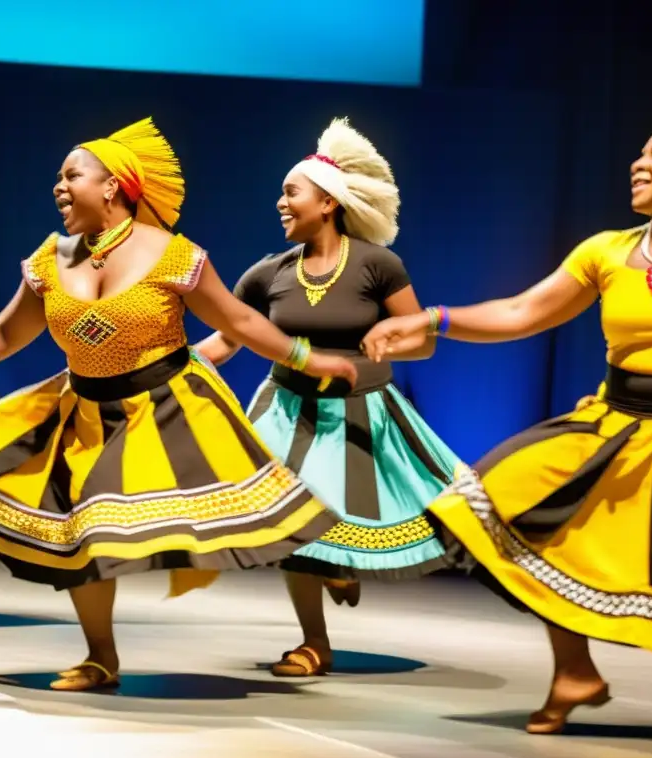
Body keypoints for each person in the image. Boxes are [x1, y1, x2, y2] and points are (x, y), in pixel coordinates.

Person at [361, 79, 652, 742]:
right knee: (519, 506)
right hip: (620, 417)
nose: (638, 162)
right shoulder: (605, 250)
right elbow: (522, 312)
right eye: (639, 152)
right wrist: (435, 319)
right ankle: (574, 671)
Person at [0, 117, 357, 692]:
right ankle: (100, 657)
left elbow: (240, 321)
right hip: (83, 410)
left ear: (112, 186)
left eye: (71, 175)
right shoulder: (50, 258)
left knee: (233, 522)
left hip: (167, 408)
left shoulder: (175, 255)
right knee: (81, 529)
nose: (58, 187)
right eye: (57, 177)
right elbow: (2, 337)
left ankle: (331, 565)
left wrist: (310, 359)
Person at [195, 118, 464, 677]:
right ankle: (314, 641)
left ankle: (342, 563)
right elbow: (228, 339)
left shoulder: (376, 265)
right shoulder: (267, 274)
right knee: (294, 527)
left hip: (360, 415)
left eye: (291, 192)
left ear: (327, 203)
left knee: (335, 522)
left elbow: (421, 344)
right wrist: (177, 365)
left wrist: (387, 343)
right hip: (287, 412)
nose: (280, 202)